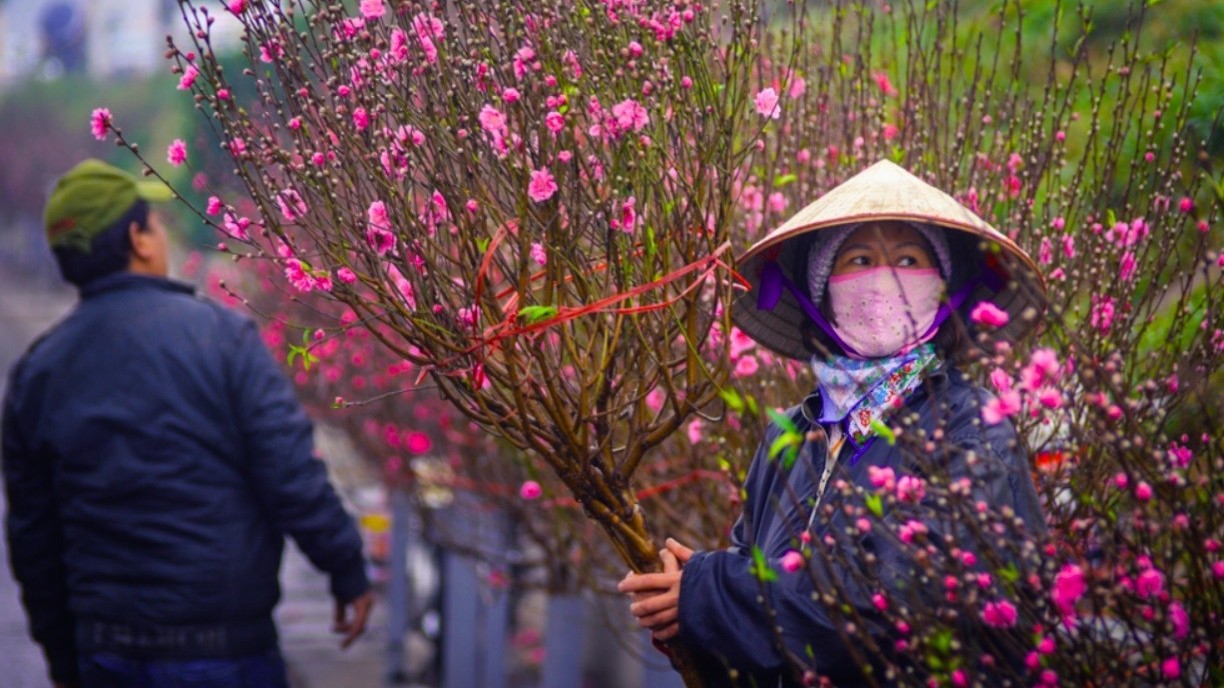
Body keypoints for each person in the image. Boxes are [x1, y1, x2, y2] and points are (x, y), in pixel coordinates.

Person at [619, 160, 1048, 686]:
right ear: (822, 293)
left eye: (909, 258)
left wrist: (716, 590)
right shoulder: (793, 436)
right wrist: (689, 613)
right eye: (859, 258)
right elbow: (763, 622)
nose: (884, 276)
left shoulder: (969, 430)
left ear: (940, 289)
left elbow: (908, 612)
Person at [2, 159, 373, 688]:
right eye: (154, 223)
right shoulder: (223, 340)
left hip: (105, 651)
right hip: (226, 648)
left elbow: (32, 538)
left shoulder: (38, 374)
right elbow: (291, 474)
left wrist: (64, 657)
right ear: (139, 238)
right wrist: (346, 569)